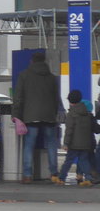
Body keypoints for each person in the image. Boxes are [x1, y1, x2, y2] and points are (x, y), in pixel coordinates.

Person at [12, 50, 60, 184]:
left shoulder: (24, 75)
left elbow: (19, 97)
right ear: (44, 61)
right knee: (51, 145)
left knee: (29, 145)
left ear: (32, 61)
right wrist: (54, 113)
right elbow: (56, 98)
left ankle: (27, 175)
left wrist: (16, 114)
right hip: (49, 116)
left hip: (31, 116)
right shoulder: (52, 77)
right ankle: (53, 174)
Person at [54, 89, 94, 186]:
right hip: (85, 143)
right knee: (84, 161)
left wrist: (66, 143)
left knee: (68, 161)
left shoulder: (71, 114)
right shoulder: (87, 114)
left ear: (70, 101)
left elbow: (69, 130)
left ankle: (61, 178)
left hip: (74, 144)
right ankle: (88, 178)